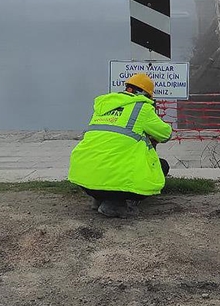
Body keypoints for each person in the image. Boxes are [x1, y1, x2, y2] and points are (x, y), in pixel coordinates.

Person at [68, 73, 172, 218]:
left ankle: (99, 199)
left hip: (83, 179)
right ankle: (116, 205)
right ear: (147, 95)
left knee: (110, 159)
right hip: (116, 184)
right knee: (162, 166)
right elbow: (166, 134)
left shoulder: (103, 106)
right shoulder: (142, 107)